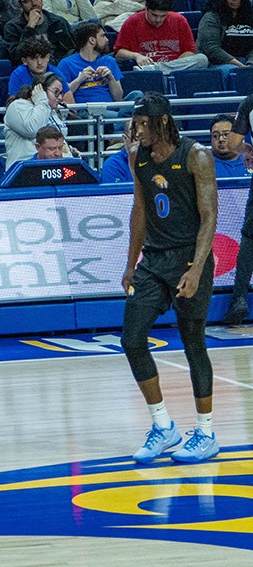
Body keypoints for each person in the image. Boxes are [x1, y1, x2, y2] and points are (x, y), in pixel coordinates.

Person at [120, 92, 222, 464]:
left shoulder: (196, 155)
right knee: (132, 339)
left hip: (189, 259)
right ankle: (163, 426)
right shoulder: (139, 157)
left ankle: (206, 433)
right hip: (154, 261)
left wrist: (196, 268)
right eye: (135, 123)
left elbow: (209, 216)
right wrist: (130, 263)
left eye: (142, 123)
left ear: (162, 121)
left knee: (193, 344)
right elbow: (140, 209)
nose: (137, 130)